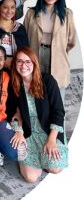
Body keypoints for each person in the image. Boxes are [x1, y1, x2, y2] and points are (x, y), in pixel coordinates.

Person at [8, 47, 68, 183]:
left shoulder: (47, 81)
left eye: (28, 62)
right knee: (31, 178)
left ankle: (45, 160)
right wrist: (18, 131)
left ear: (34, 63)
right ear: (15, 64)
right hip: (28, 131)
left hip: (48, 129)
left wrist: (52, 139)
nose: (24, 66)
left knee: (55, 168)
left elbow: (58, 111)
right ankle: (36, 159)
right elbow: (12, 112)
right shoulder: (13, 84)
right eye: (19, 62)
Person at [23, 0, 76, 103]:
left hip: (58, 58)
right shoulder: (31, 13)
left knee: (57, 98)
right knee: (36, 93)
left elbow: (71, 40)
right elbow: (24, 36)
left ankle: (57, 122)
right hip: (36, 55)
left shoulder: (67, 14)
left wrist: (58, 49)